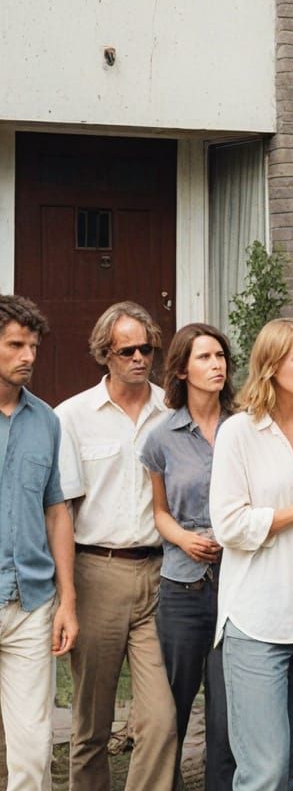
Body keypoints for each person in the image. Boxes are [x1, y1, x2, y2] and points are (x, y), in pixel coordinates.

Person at [209, 318, 293, 791]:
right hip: (258, 620)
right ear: (270, 366)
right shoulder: (239, 434)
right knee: (264, 772)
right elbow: (230, 525)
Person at [56, 301, 177, 791]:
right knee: (90, 727)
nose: (139, 358)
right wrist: (67, 596)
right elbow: (61, 511)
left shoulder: (171, 409)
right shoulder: (73, 416)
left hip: (159, 572)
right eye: (127, 350)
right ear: (104, 353)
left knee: (162, 721)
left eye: (147, 348)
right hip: (96, 571)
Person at [139, 323, 236, 790]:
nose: (216, 365)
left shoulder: (247, 426)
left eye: (220, 356)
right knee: (173, 704)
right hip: (182, 586)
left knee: (226, 705)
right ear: (181, 369)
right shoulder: (161, 438)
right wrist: (183, 538)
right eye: (205, 357)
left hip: (237, 584)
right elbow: (159, 511)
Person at [0, 295, 78, 790]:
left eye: (32, 346)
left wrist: (67, 599)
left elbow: (57, 512)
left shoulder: (47, 422)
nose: (28, 355)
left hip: (30, 603)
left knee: (32, 750)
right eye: (14, 345)